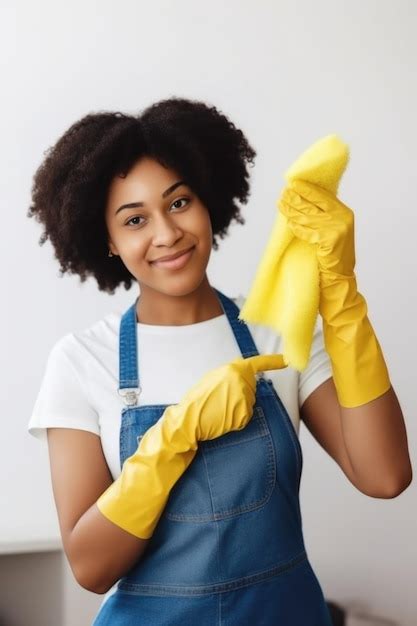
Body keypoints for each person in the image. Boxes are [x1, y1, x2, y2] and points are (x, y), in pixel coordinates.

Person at [27, 96, 403, 625]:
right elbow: (91, 567)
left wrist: (341, 297)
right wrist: (172, 439)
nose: (166, 233)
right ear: (107, 241)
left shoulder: (280, 332)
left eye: (178, 203)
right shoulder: (81, 361)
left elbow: (385, 476)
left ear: (207, 200)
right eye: (134, 220)